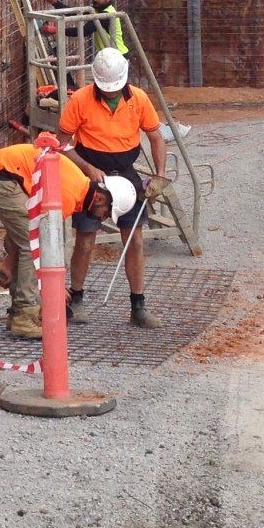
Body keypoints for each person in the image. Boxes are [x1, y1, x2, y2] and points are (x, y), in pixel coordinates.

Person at [0, 136, 131, 339]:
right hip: (0, 176)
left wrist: (9, 263)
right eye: (106, 212)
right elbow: (36, 239)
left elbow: (28, 226)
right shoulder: (68, 196)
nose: (103, 218)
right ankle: (24, 315)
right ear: (101, 198)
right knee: (36, 244)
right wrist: (54, 288)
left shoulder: (79, 187)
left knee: (27, 238)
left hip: (2, 172)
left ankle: (19, 311)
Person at [57, 48, 165, 329]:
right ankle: (77, 299)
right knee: (86, 240)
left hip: (126, 175)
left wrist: (160, 174)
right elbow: (62, 142)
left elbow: (155, 136)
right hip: (92, 176)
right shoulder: (80, 100)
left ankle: (138, 306)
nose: (110, 93)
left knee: (135, 240)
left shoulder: (138, 99)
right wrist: (86, 167)